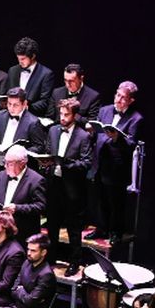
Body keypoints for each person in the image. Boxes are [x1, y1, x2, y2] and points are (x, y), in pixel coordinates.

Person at [41, 99, 95, 266]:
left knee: (73, 229)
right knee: (52, 227)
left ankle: (74, 262)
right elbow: (48, 152)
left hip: (72, 189)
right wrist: (46, 163)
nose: (62, 117)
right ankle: (50, 260)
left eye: (66, 114)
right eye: (61, 114)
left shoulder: (83, 136)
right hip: (54, 185)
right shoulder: (53, 130)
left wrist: (66, 164)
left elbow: (86, 163)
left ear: (75, 115)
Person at [90, 81, 143, 245]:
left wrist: (117, 137)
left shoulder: (136, 118)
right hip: (99, 162)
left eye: (123, 97)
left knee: (116, 203)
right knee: (100, 199)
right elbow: (98, 132)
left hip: (117, 166)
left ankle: (115, 232)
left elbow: (131, 144)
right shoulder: (105, 110)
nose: (118, 100)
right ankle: (101, 228)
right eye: (117, 95)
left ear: (131, 100)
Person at [0, 145, 47, 240]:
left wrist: (18, 208)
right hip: (1, 231)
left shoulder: (36, 180)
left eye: (9, 163)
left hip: (23, 232)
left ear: (22, 163)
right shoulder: (0, 176)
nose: (5, 166)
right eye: (4, 162)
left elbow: (41, 206)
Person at [0, 87, 46, 164]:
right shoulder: (0, 115)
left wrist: (22, 152)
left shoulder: (33, 122)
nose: (11, 108)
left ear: (24, 104)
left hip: (18, 165)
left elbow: (39, 146)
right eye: (9, 104)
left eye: (15, 105)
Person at [9, 37, 58, 118]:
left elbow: (45, 102)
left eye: (23, 59)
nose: (20, 62)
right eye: (18, 59)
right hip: (12, 116)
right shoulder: (13, 70)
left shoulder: (46, 74)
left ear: (33, 56)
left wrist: (26, 106)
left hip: (32, 117)